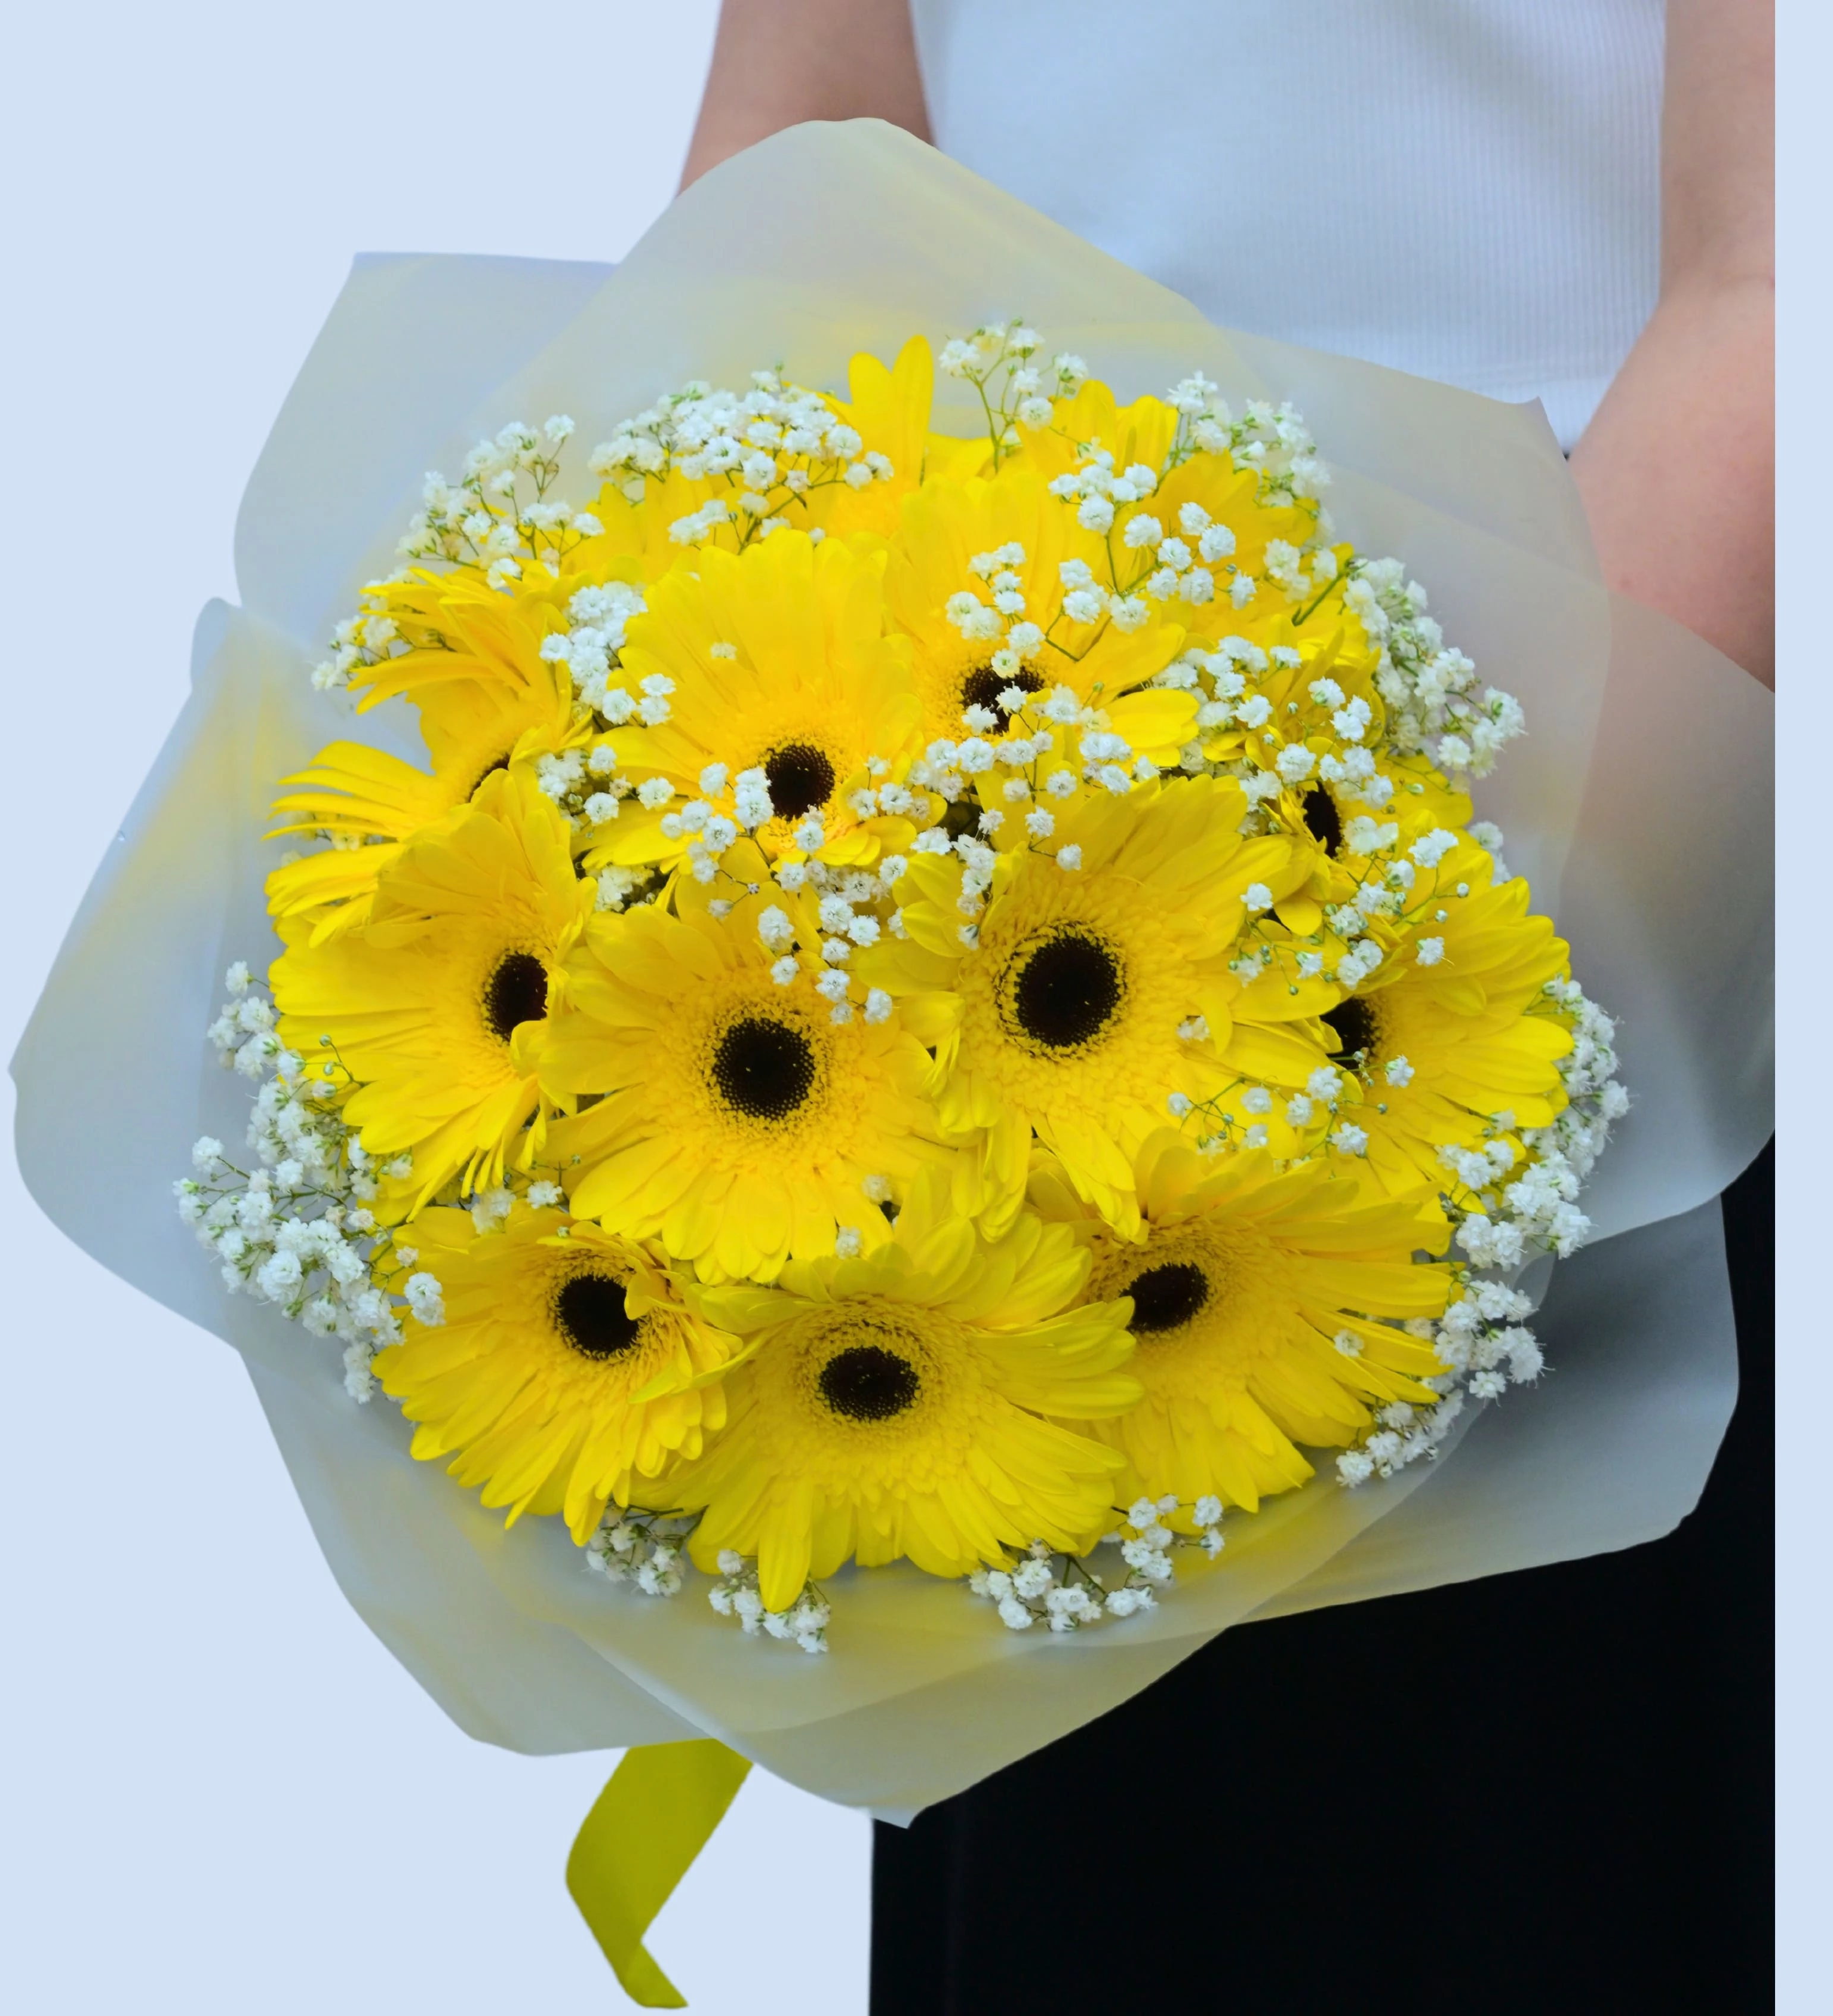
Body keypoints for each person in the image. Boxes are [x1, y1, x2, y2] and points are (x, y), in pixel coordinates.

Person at [680, 4, 1774, 2008]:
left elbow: (1780, 271)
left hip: (1595, 750)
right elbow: (813, 133)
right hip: (980, 792)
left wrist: (1405, 970)